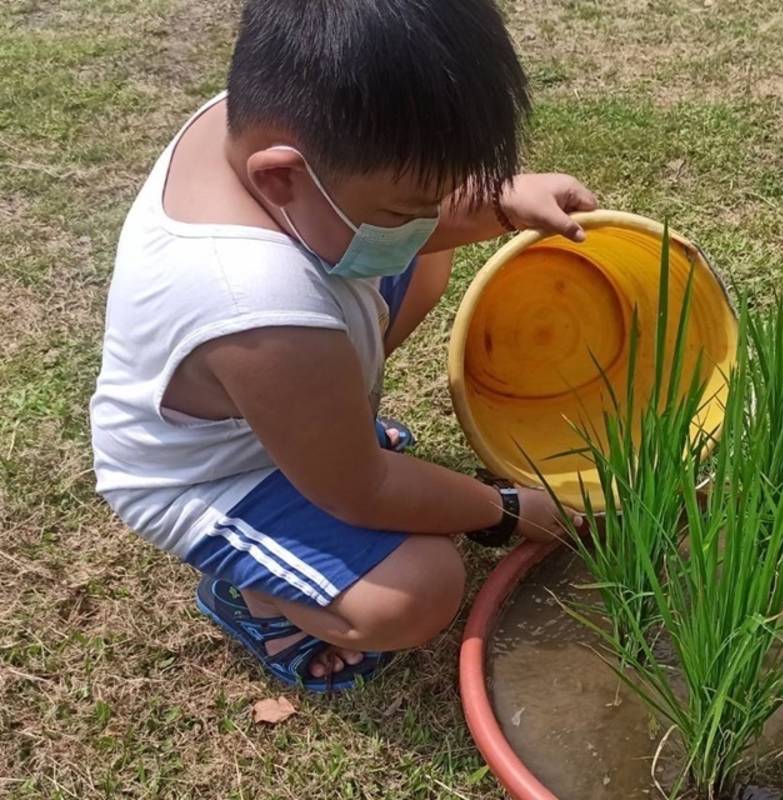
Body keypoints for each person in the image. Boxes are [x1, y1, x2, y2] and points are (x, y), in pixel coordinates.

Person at [89, 0, 595, 692]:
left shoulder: (257, 125)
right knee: (418, 590)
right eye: (405, 209)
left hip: (287, 375)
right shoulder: (251, 302)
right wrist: (508, 508)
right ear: (279, 176)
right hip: (216, 477)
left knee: (421, 260)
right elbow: (364, 489)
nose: (429, 219)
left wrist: (502, 199)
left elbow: (389, 209)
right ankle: (256, 598)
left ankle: (321, 432)